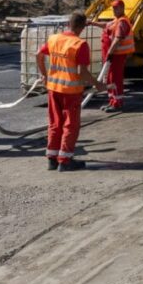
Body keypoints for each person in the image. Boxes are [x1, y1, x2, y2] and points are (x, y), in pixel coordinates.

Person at [38, 10, 99, 171]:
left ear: (68, 24)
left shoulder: (54, 39)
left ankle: (52, 159)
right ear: (83, 27)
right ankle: (65, 160)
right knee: (70, 125)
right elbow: (82, 72)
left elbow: (39, 54)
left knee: (55, 123)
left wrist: (44, 75)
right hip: (71, 91)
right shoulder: (80, 45)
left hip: (53, 89)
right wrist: (97, 84)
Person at [100, 0, 134, 112]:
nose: (114, 10)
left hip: (117, 55)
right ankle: (112, 101)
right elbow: (106, 25)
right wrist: (92, 23)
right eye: (113, 8)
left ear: (122, 8)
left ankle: (117, 103)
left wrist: (110, 52)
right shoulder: (117, 20)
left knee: (115, 79)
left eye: (116, 8)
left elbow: (118, 39)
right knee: (110, 78)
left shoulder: (122, 22)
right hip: (114, 55)